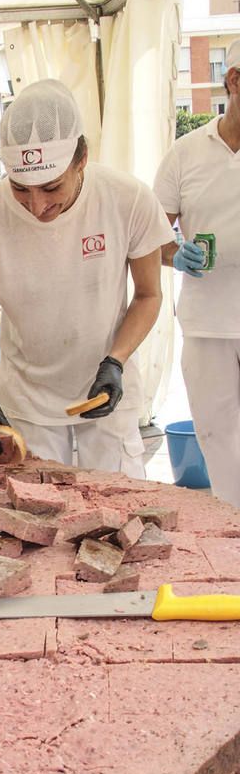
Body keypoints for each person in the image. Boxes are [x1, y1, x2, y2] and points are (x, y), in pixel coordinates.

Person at [0, 79, 174, 475]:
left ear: (81, 158)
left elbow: (149, 295)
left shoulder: (127, 198)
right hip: (28, 398)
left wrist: (116, 362)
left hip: (105, 390)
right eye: (20, 189)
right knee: (39, 515)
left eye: (51, 187)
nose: (37, 205)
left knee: (120, 510)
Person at [153, 40, 240, 508]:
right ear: (234, 81)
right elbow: (153, 232)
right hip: (207, 320)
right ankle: (233, 527)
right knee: (216, 431)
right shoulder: (185, 154)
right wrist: (175, 254)